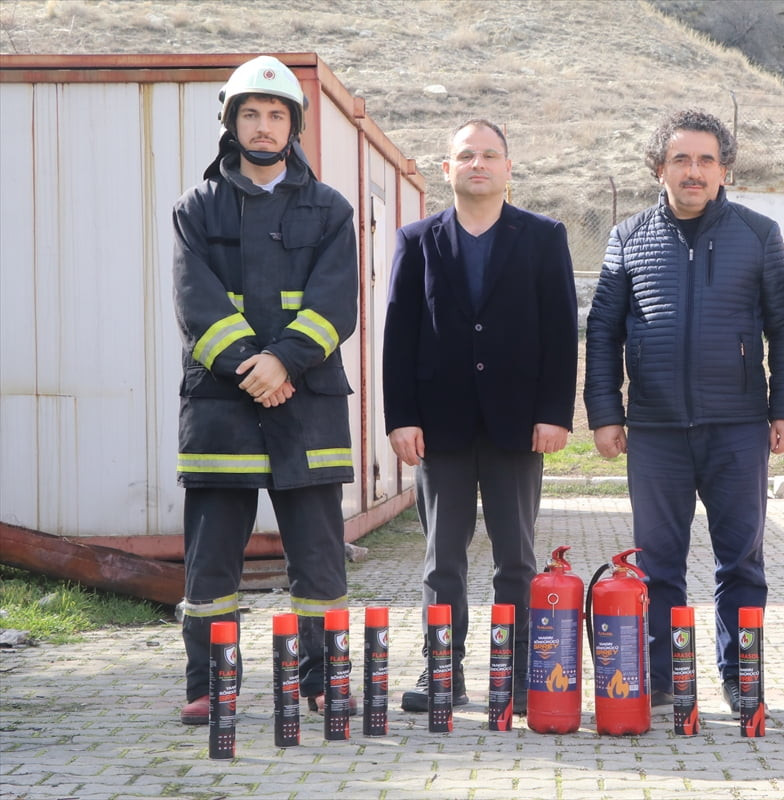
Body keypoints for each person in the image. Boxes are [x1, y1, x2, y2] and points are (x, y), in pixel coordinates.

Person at [584, 109, 784, 712]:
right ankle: (660, 679)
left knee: (742, 562)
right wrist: (606, 413)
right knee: (658, 564)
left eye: (706, 160)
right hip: (655, 431)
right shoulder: (628, 237)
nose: (694, 171)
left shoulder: (758, 235)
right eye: (680, 159)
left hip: (739, 427)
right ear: (659, 168)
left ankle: (740, 677)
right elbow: (603, 331)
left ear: (724, 170)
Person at [171, 56, 359, 724]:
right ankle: (208, 685)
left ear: (293, 126)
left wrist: (283, 362)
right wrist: (256, 368)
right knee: (211, 562)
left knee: (319, 559)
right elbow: (195, 304)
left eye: (276, 114)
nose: (263, 125)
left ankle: (323, 680)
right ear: (230, 122)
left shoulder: (331, 209)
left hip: (305, 405)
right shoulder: (196, 208)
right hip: (223, 408)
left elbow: (336, 303)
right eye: (249, 113)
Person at [382, 119, 578, 716]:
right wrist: (400, 417)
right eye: (466, 155)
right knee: (442, 559)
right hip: (439, 428)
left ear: (508, 168)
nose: (478, 164)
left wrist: (554, 412)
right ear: (447, 169)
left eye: (490, 155)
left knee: (515, 559)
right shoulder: (417, 240)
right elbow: (399, 334)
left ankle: (517, 673)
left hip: (517, 426)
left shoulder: (543, 237)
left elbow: (561, 331)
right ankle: (442, 669)